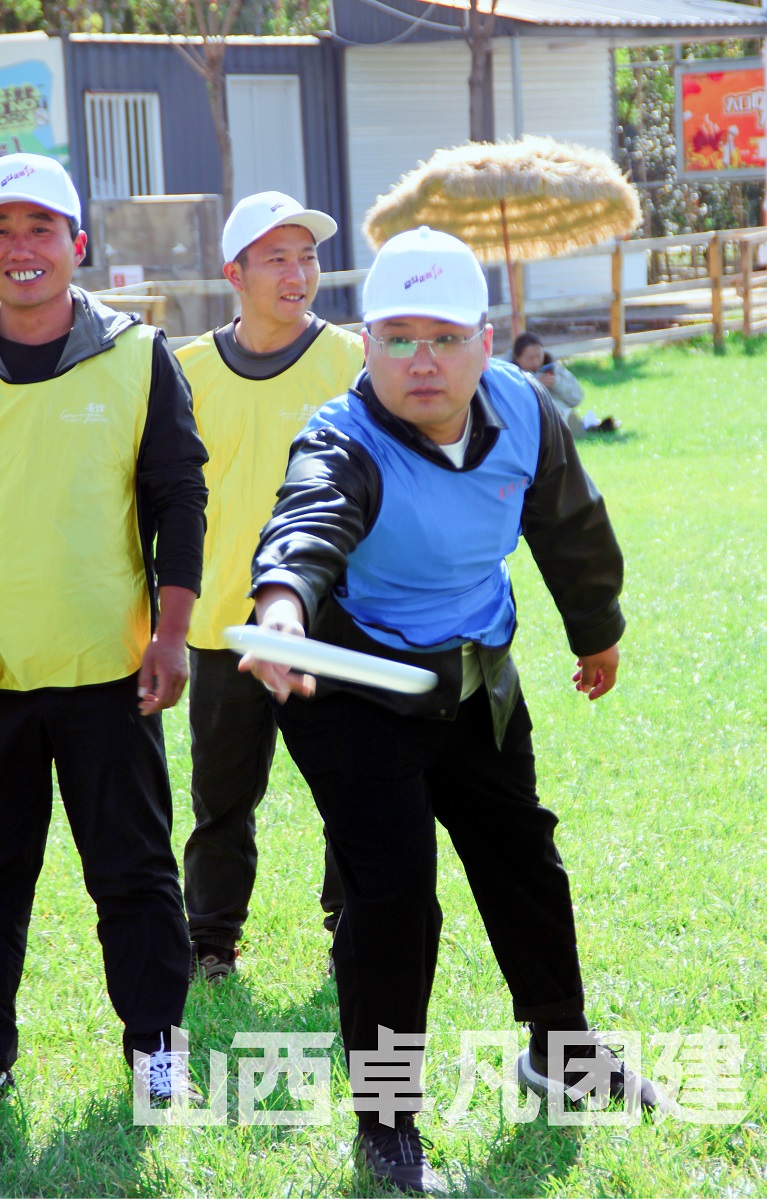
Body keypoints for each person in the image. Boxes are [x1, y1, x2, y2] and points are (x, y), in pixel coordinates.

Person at [243, 226, 663, 1194]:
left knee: (523, 856)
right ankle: (386, 1123)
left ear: (486, 340)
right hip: (353, 686)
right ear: (365, 344)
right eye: (398, 338)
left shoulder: (521, 408)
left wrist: (595, 629)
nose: (421, 360)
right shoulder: (341, 437)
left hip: (473, 677)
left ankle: (561, 1051)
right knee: (393, 895)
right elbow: (307, 521)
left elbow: (568, 521)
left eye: (443, 337)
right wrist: (281, 606)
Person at [0, 154, 208, 1101]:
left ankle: (156, 1051)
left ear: (77, 244)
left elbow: (179, 498)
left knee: (134, 872)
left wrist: (172, 634)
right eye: (3, 231)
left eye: (40, 228)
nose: (20, 249)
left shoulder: (138, 354)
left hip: (109, 671)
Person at [178, 191, 364, 980]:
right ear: (235, 273)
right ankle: (210, 942)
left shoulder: (351, 360)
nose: (298, 274)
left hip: (333, 620)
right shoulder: (186, 369)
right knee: (221, 798)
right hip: (223, 622)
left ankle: (353, 930)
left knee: (351, 788)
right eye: (277, 259)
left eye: (308, 257)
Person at [512, 331, 619, 437]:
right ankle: (571, 426)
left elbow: (577, 397)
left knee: (560, 410)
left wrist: (557, 382)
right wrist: (533, 386)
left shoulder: (555, 368)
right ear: (518, 359)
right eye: (530, 358)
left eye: (539, 356)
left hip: (561, 411)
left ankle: (574, 424)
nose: (536, 362)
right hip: (533, 419)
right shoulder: (511, 376)